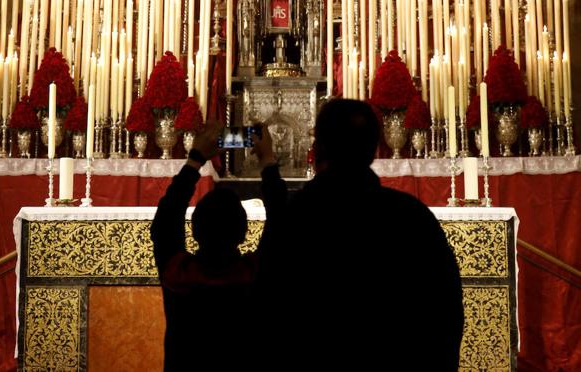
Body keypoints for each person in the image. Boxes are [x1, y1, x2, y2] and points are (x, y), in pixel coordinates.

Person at [263, 99, 464, 367]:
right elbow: (445, 312)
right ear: (374, 150)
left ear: (318, 147)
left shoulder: (295, 217)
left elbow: (267, 307)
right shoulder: (411, 217)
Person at [150, 120, 284, 368]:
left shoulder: (178, 274)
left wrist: (195, 160)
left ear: (195, 231)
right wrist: (267, 160)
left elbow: (165, 223)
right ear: (244, 232)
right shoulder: (255, 274)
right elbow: (283, 226)